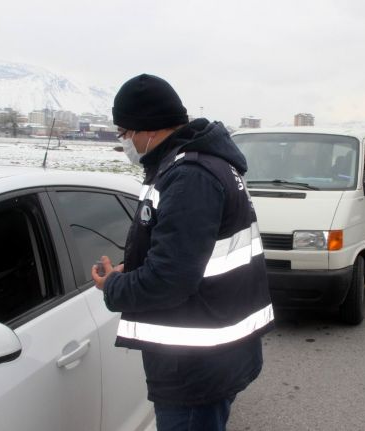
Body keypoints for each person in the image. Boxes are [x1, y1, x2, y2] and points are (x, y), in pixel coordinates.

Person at [91, 74, 274, 431]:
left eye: (124, 132)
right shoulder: (195, 166)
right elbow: (189, 251)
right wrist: (136, 264)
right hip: (211, 352)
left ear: (147, 127)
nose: (124, 142)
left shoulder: (191, 176)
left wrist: (112, 286)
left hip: (196, 366)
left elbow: (170, 279)